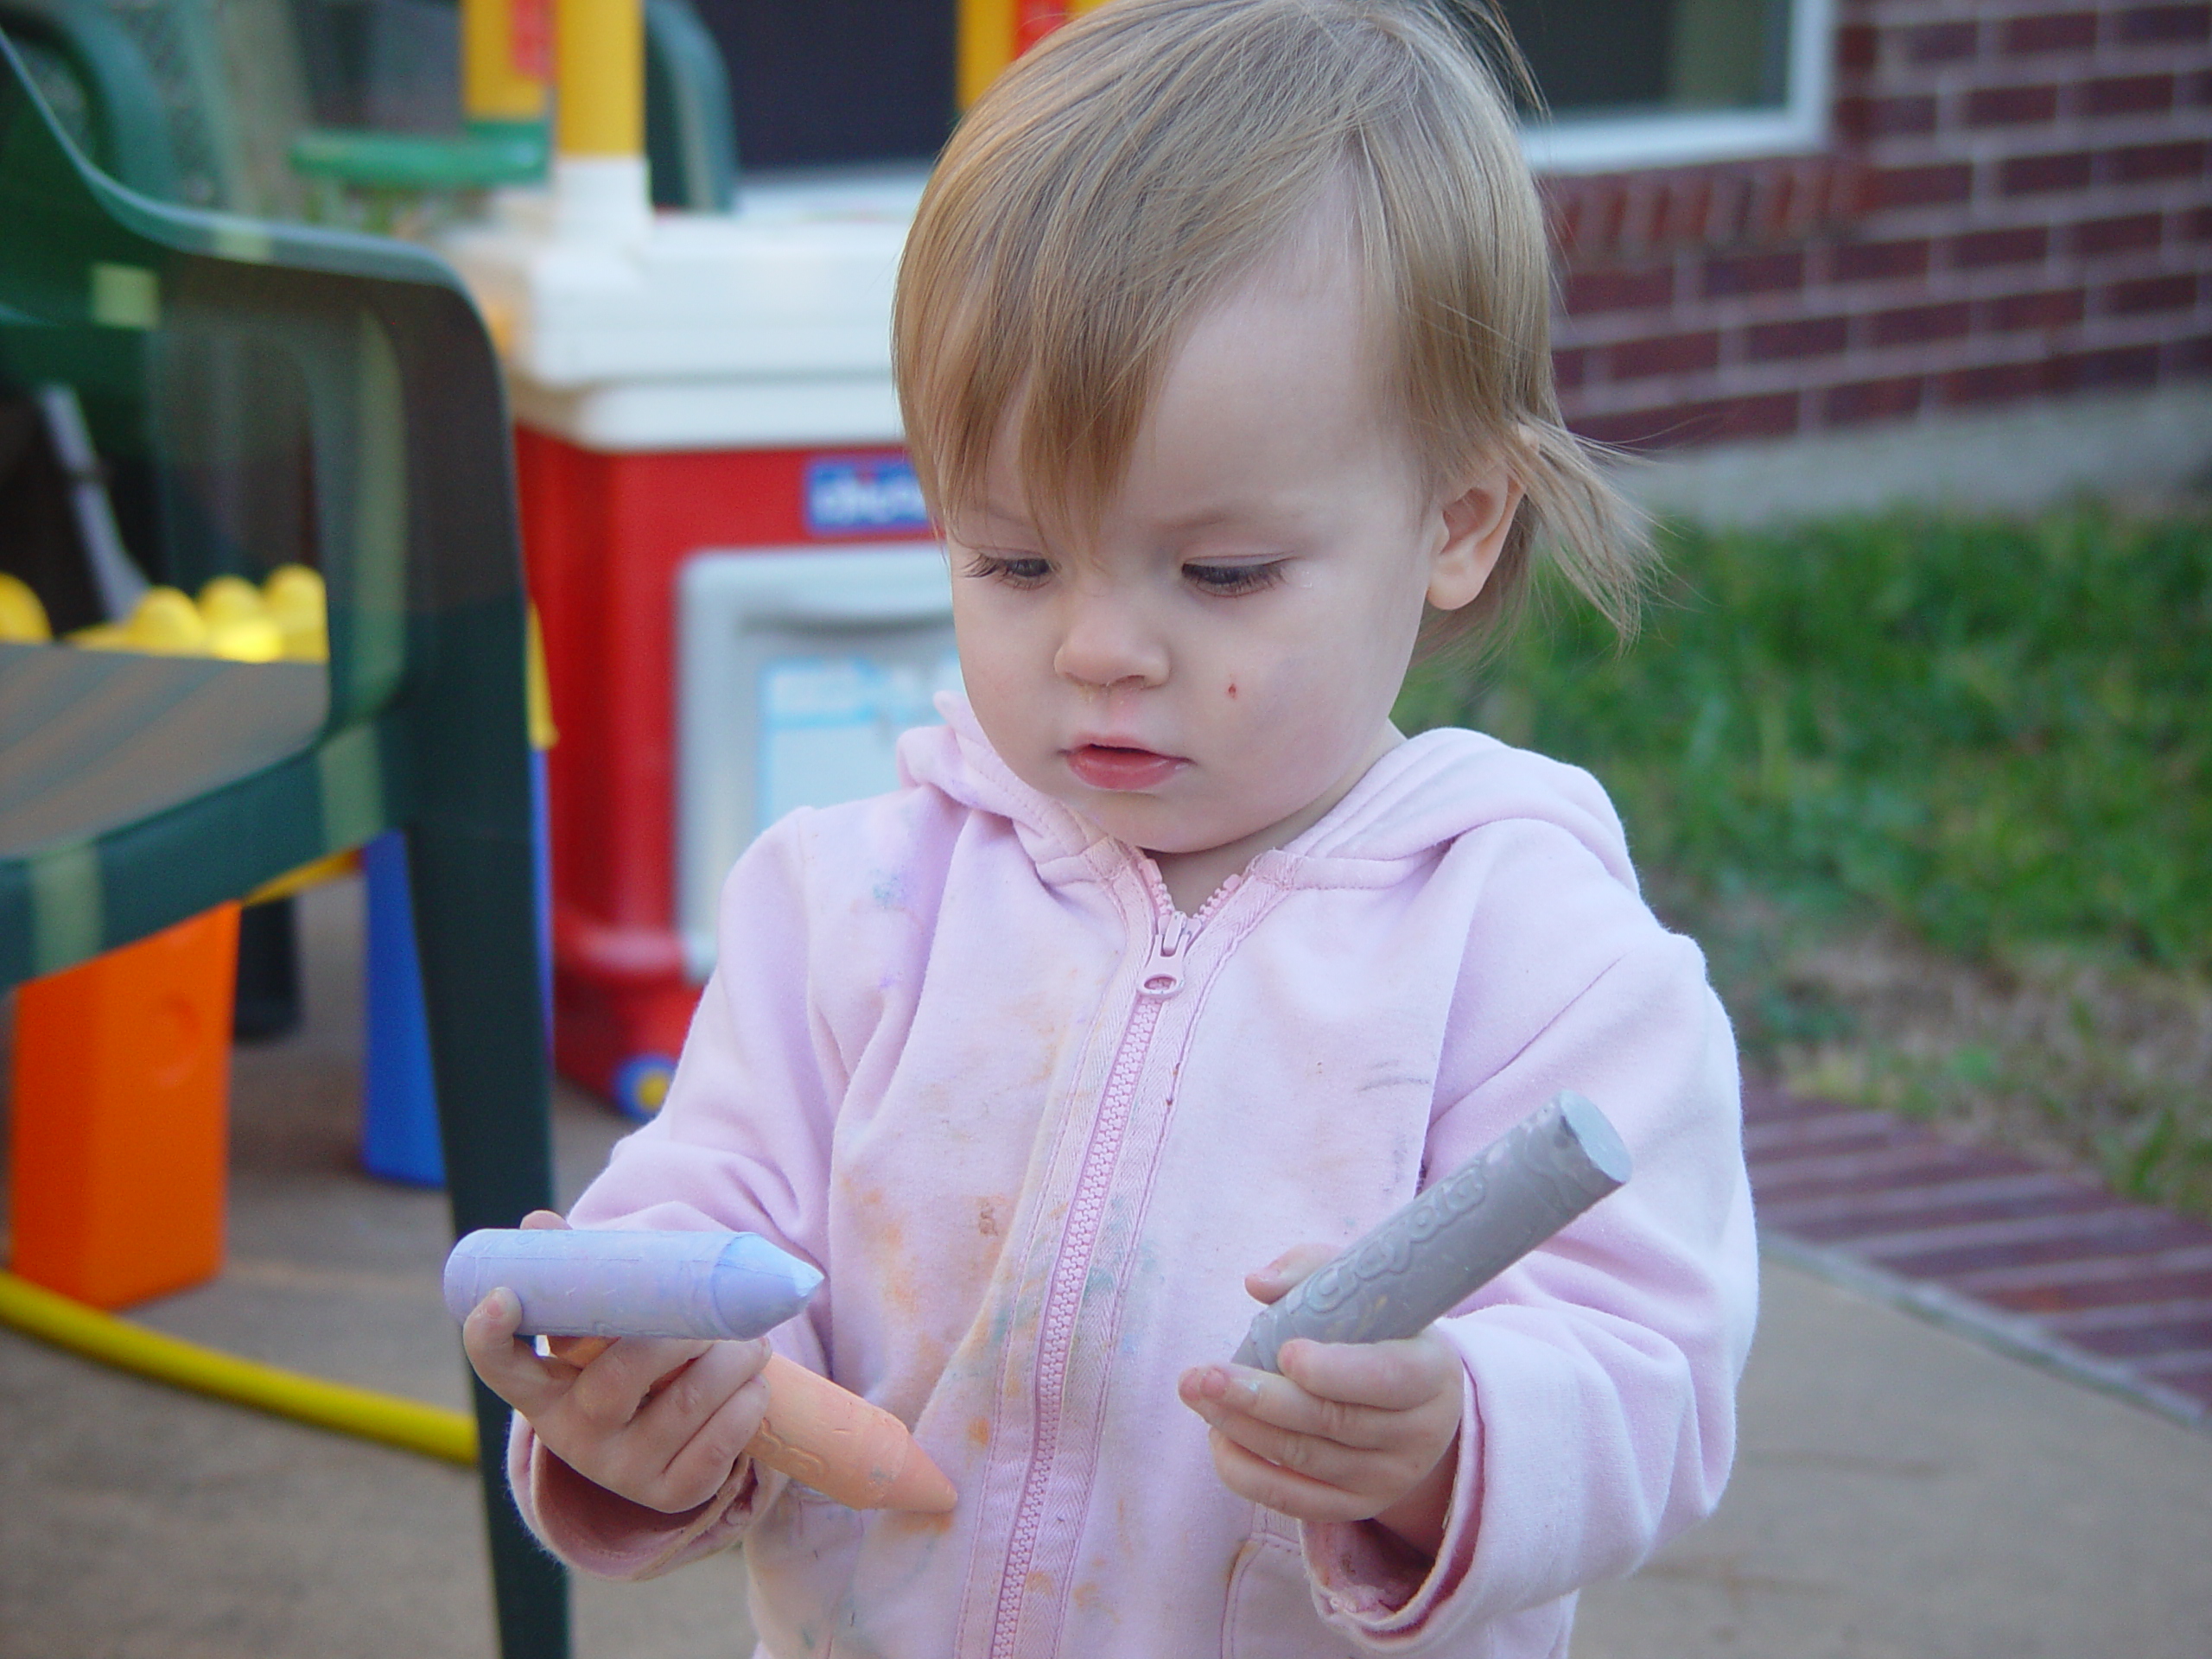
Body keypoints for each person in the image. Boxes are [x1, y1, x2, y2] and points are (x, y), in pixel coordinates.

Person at [461, 0, 1758, 1652]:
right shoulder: (854, 903)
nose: (1098, 649)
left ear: (1456, 521)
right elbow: (716, 1222)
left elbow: (1650, 1369)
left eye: (1218, 574)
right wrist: (649, 1386)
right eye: (1014, 561)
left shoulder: (1537, 953)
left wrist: (1453, 1439)